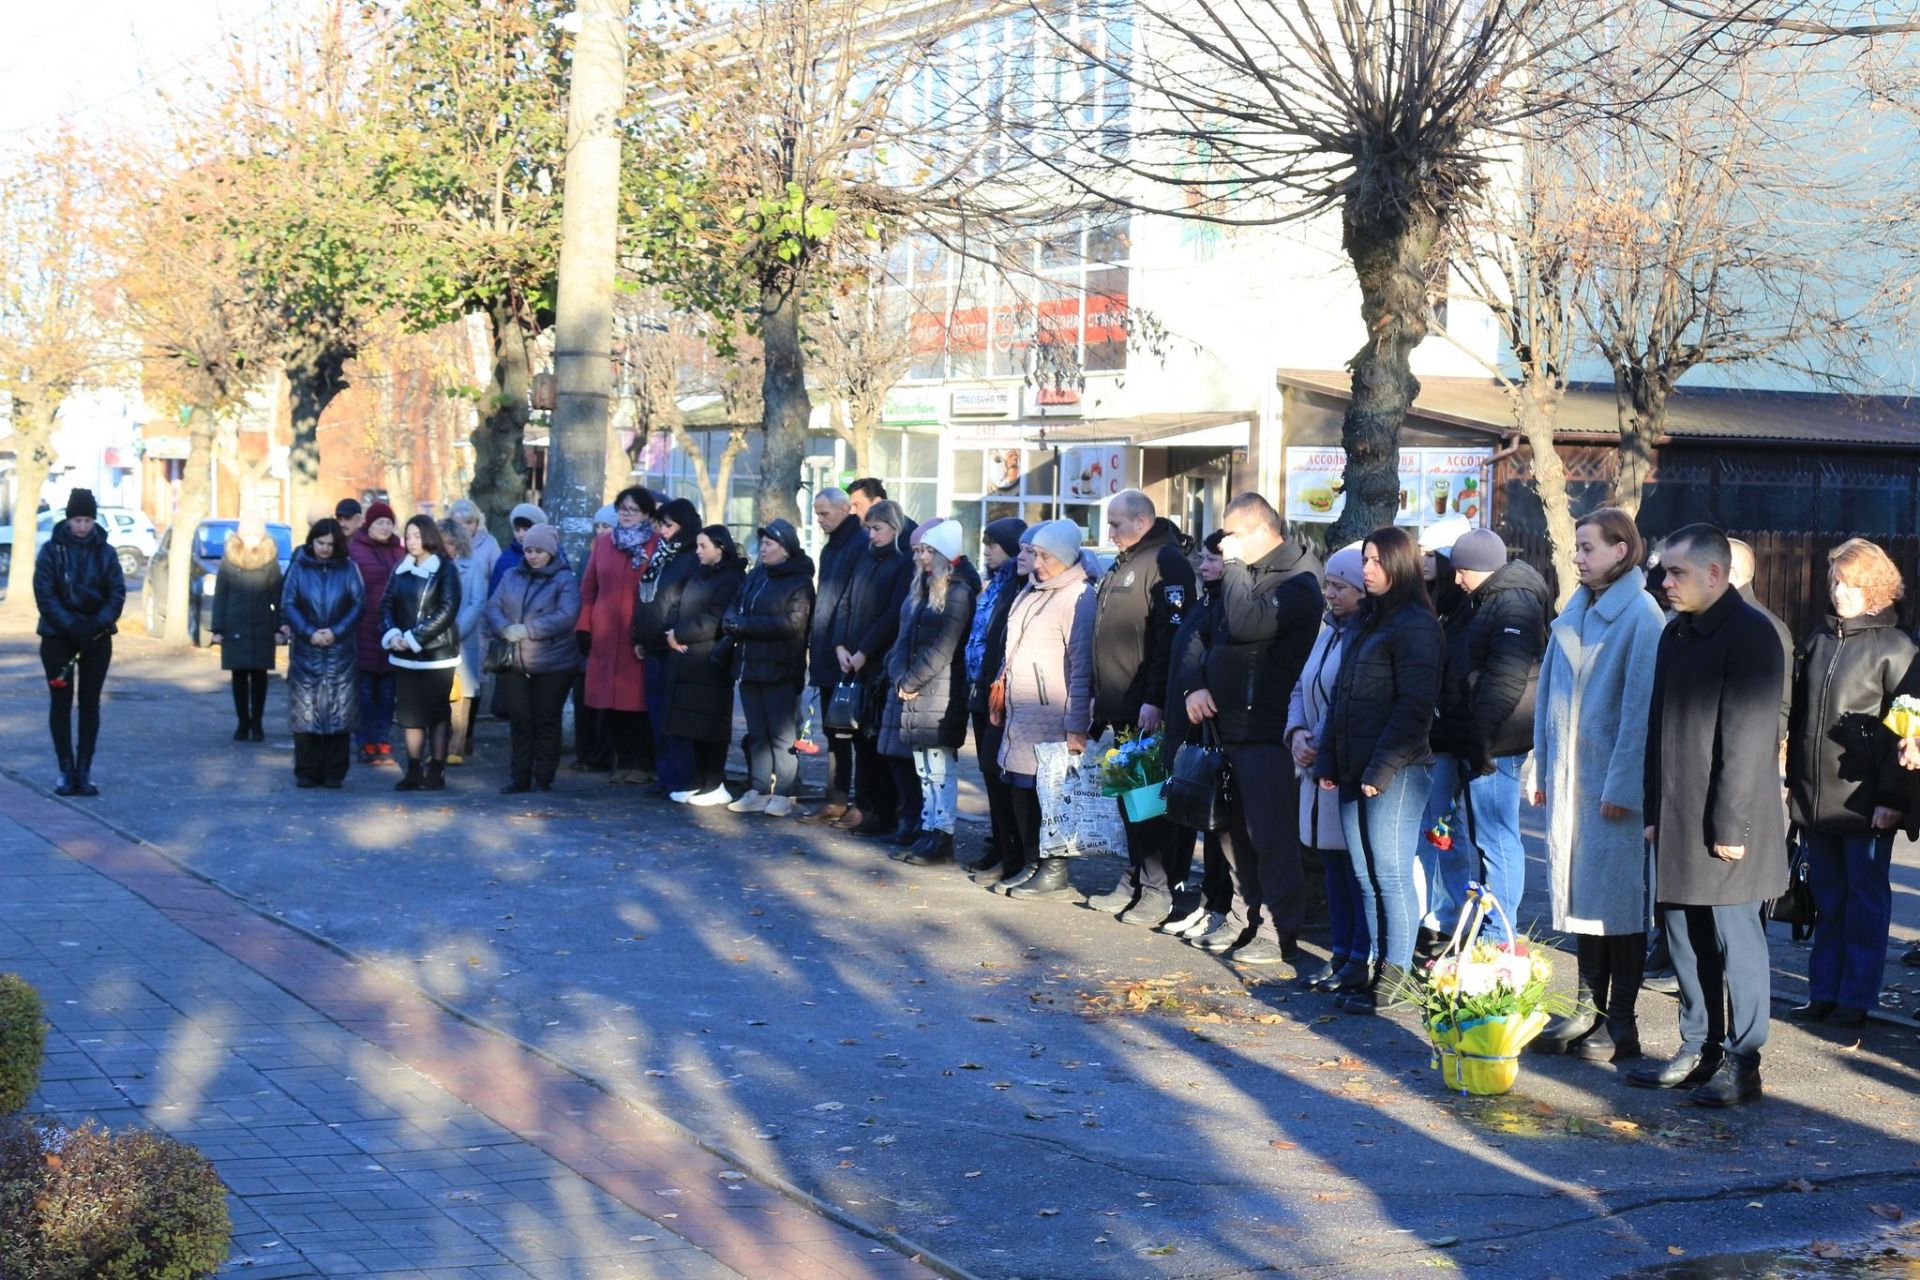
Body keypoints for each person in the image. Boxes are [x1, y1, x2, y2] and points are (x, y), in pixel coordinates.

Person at [1631, 524, 1787, 1107]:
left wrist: (1729, 826)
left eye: (1677, 572)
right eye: (1664, 571)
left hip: (1728, 825)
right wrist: (1653, 809)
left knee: (1735, 942)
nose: (1665, 582)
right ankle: (1698, 1047)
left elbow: (1747, 739)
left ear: (1715, 574)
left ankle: (1744, 1062)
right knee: (1683, 936)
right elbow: (1657, 728)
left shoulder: (1752, 634)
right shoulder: (1677, 631)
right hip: (1676, 816)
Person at [1528, 508, 1667, 1062]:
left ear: (1621, 550)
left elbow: (1640, 714)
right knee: (1583, 896)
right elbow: (1548, 697)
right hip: (1572, 782)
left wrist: (1624, 787)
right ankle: (1588, 1007)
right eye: (1578, 547)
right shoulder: (1574, 610)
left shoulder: (1642, 616)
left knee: (1619, 902)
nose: (1578, 557)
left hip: (1611, 790)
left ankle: (1622, 1021)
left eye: (1588, 547)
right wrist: (1541, 766)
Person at [1181, 493, 1324, 965]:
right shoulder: (1249, 573)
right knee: (1232, 834)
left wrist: (1234, 566)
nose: (1225, 545)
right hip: (1229, 726)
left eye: (1233, 534)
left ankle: (1279, 931)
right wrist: (1195, 685)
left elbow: (1244, 624)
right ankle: (1244, 918)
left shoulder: (1299, 581)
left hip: (1267, 728)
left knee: (1270, 835)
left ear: (1262, 531)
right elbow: (1203, 634)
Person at [1785, 539, 1915, 1028]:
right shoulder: (1820, 639)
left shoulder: (1897, 648)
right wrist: (1795, 782)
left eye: (1850, 584)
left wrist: (1892, 798)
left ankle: (1856, 997)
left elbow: (1907, 732)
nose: (1838, 592)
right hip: (1817, 796)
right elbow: (1802, 718)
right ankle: (1823, 991)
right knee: (1828, 898)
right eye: (1835, 582)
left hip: (1866, 801)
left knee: (1865, 901)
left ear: (1875, 588)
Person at [1315, 526, 1443, 1014]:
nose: (1367, 569)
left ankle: (1398, 976)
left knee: (1390, 874)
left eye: (1376, 561)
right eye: (1365, 560)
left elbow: (1414, 706)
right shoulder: (1367, 619)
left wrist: (1381, 768)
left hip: (1397, 770)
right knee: (1365, 873)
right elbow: (1342, 696)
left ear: (1399, 565)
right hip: (1353, 764)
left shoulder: (1416, 624)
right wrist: (1329, 760)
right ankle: (1374, 967)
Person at [1426, 528, 1549, 939]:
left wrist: (1481, 739)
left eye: (1463, 571)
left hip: (1497, 740)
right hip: (1483, 734)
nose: (1457, 579)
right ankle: (1484, 925)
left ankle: (1499, 934)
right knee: (1483, 836)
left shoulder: (1512, 602)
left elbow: (1505, 680)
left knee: (1496, 839)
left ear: (1483, 567)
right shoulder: (1487, 598)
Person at [1089, 490, 1198, 924]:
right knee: (1130, 800)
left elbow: (1169, 638)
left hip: (1147, 708)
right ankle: (1136, 877)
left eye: (1116, 524)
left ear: (1141, 521)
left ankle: (1159, 887)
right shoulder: (1125, 560)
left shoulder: (1166, 561)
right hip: (1120, 705)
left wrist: (1154, 698)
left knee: (1151, 800)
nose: (1110, 533)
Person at [995, 519, 1100, 899]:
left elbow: (1082, 667)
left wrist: (1077, 725)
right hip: (1022, 715)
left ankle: (1054, 869)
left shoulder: (1078, 597)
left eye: (1044, 556)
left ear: (1065, 557)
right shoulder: (1032, 589)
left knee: (1051, 796)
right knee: (1022, 792)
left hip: (1052, 715)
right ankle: (1031, 863)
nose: (1036, 563)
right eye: (1034, 554)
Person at [1285, 546, 1371, 991]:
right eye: (1329, 585)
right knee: (1332, 861)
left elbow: (1346, 696)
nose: (1330, 594)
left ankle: (1359, 955)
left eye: (1340, 586)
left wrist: (1316, 740)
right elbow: (1302, 686)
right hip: (1316, 762)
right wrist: (1297, 731)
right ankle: (1340, 953)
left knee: (1355, 867)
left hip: (1342, 762)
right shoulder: (1328, 630)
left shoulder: (1364, 634)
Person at [878, 519, 980, 866]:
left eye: (927, 550)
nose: (920, 556)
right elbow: (905, 639)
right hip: (918, 690)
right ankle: (928, 826)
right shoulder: (925, 590)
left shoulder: (958, 592)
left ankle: (942, 833)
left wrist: (911, 681)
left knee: (939, 767)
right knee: (924, 768)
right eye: (920, 550)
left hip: (940, 692)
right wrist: (899, 677)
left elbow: (944, 647)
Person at [1160, 532, 1234, 937]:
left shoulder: (1229, 603)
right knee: (1205, 822)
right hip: (1187, 722)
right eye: (1202, 558)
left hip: (1212, 728)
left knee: (1218, 822)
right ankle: (1208, 900)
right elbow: (1186, 651)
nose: (1203, 567)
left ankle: (1220, 904)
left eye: (1212, 560)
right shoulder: (1206, 600)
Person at [33, 488, 126, 797]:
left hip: (96, 637)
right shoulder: (51, 551)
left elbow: (117, 593)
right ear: (68, 520)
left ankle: (84, 768)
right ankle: (65, 768)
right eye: (77, 520)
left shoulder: (106, 552)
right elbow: (45, 594)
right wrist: (71, 625)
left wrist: (95, 624)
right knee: (60, 703)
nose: (82, 526)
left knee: (89, 702)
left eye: (87, 520)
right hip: (58, 636)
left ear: (94, 520)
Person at [722, 518, 816, 815]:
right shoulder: (756, 575)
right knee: (757, 734)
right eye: (761, 543)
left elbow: (793, 624)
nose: (762, 549)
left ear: (785, 549)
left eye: (768, 544)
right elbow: (735, 603)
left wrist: (744, 625)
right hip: (749, 665)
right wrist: (732, 621)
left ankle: (784, 793)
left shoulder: (799, 581)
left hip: (780, 668)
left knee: (781, 737)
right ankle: (758, 789)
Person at [833, 499, 915, 836]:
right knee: (862, 743)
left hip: (878, 664)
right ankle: (871, 809)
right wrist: (840, 644)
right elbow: (846, 602)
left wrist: (864, 651)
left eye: (877, 529)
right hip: (854, 661)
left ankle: (886, 812)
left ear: (894, 528)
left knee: (879, 743)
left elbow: (893, 614)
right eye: (869, 529)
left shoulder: (903, 562)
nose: (871, 535)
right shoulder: (866, 558)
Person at [486, 523, 583, 794]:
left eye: (539, 551)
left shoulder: (564, 579)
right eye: (529, 550)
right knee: (520, 721)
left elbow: (567, 615)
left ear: (550, 552)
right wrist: (505, 628)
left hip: (553, 662)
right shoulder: (510, 575)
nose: (533, 556)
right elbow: (493, 606)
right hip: (514, 661)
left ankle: (544, 777)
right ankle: (519, 777)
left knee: (546, 720)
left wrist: (528, 630)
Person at [962, 517, 1030, 879]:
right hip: (980, 689)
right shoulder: (994, 586)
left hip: (1000, 693)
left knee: (999, 772)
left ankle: (1013, 851)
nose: (986, 551)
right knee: (988, 773)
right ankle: (1000, 843)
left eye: (993, 544)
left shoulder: (1017, 586)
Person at [800, 488, 870, 824]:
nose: (819, 519)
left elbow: (853, 600)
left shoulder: (859, 544)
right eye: (816, 513)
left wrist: (846, 644)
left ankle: (863, 802)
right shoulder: (831, 548)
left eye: (824, 513)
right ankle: (836, 798)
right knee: (833, 730)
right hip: (828, 648)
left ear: (845, 509)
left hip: (848, 652)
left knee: (856, 732)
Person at [580, 486, 659, 784]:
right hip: (605, 633)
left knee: (636, 704)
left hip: (636, 633)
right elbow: (588, 589)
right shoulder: (603, 543)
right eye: (622, 509)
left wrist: (648, 632)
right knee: (608, 703)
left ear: (646, 514)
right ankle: (623, 761)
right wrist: (584, 627)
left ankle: (642, 763)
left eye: (633, 510)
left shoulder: (656, 544)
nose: (626, 514)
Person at [665, 526, 748, 806]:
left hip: (711, 659)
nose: (698, 551)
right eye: (698, 546)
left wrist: (679, 634)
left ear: (720, 547)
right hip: (687, 658)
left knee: (711, 723)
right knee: (691, 725)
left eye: (704, 546)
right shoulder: (698, 573)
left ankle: (714, 782)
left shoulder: (730, 578)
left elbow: (715, 619)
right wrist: (670, 632)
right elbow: (677, 604)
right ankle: (696, 781)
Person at [380, 514, 463, 792]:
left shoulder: (445, 569)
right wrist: (393, 634)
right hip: (404, 655)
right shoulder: (400, 568)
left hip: (437, 655)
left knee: (437, 713)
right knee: (409, 715)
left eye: (417, 535)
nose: (412, 541)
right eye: (408, 536)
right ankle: (413, 769)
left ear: (429, 536)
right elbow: (386, 604)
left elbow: (447, 609)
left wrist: (415, 637)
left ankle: (436, 769)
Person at [281, 519, 365, 789]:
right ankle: (306, 770)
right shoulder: (299, 568)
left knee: (339, 711)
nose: (325, 549)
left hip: (340, 651)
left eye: (330, 544)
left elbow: (358, 604)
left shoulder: (349, 568)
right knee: (306, 711)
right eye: (320, 543)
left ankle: (334, 771)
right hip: (307, 651)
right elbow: (288, 603)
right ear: (312, 541)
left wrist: (336, 632)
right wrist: (309, 632)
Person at [630, 497, 703, 797]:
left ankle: (682, 778)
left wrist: (674, 633)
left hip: (674, 645)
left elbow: (685, 603)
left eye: (668, 526)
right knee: (657, 714)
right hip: (654, 644)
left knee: (674, 716)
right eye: (660, 525)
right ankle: (666, 775)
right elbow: (646, 599)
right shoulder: (661, 555)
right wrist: (640, 636)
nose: (662, 531)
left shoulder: (691, 557)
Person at [211, 509, 285, 743]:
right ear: (240, 535)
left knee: (260, 675)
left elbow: (278, 597)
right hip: (235, 623)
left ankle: (257, 722)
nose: (252, 539)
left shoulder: (270, 561)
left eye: (256, 535)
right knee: (239, 675)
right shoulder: (229, 559)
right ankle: (243, 722)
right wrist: (217, 629)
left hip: (262, 624)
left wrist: (280, 628)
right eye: (248, 534)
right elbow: (221, 595)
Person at [347, 500, 405, 765]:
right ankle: (365, 741)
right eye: (380, 522)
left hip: (391, 630)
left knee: (387, 692)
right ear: (368, 524)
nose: (384, 527)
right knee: (365, 692)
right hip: (363, 629)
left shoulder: (399, 551)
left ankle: (382, 740)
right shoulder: (354, 550)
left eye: (389, 522)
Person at [1729, 537, 1795, 745]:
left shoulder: (1767, 628)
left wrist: (1759, 752)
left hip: (1745, 751)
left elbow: (1781, 702)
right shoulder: (1703, 620)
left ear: (1731, 573)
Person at [441, 517, 488, 765]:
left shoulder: (473, 567)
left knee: (461, 697)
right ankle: (438, 745)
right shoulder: (431, 566)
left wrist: (456, 631)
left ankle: (456, 747)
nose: (446, 547)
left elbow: (477, 602)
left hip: (462, 639)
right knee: (438, 695)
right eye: (442, 542)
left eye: (450, 543)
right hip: (436, 642)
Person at [488, 502, 549, 594]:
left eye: (526, 529)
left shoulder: (554, 556)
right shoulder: (505, 559)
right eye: (517, 530)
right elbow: (495, 592)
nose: (521, 534)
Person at [447, 498, 502, 591]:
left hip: (482, 598)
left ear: (477, 522)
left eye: (469, 522)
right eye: (459, 523)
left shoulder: (490, 543)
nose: (464, 527)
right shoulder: (445, 544)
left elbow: (499, 577)